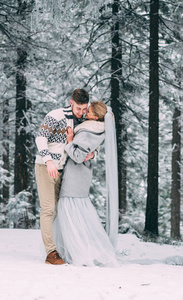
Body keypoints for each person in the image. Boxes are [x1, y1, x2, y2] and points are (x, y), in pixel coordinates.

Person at [53, 101, 119, 267]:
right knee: (77, 213)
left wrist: (69, 141)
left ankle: (78, 252)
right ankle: (73, 250)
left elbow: (76, 155)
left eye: (88, 110)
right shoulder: (95, 129)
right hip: (81, 175)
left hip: (75, 175)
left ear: (95, 116)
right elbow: (87, 151)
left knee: (70, 211)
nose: (85, 112)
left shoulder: (87, 131)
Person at [35, 89, 95, 265]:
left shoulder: (83, 122)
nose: (81, 112)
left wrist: (93, 154)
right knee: (48, 209)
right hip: (46, 167)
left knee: (60, 210)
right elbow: (40, 139)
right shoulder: (56, 115)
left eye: (84, 108)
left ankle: (63, 248)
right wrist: (49, 162)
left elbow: (89, 142)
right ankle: (51, 253)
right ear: (71, 103)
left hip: (65, 171)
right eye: (78, 108)